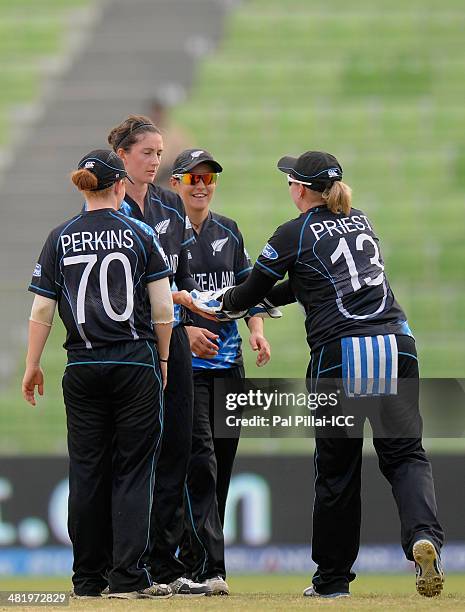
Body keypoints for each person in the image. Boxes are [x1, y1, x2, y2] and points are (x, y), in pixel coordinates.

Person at [196, 151, 445, 599]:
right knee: (406, 455)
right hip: (397, 344)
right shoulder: (360, 219)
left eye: (290, 181)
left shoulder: (293, 233)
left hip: (341, 354)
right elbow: (307, 282)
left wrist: (220, 306)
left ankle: (332, 581)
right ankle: (423, 536)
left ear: (301, 190)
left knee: (337, 470)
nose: (288, 187)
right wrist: (274, 300)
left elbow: (251, 289)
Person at [22, 149, 174, 600]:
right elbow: (163, 308)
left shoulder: (60, 236)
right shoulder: (140, 232)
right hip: (133, 360)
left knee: (87, 472)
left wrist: (32, 364)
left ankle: (87, 578)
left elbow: (42, 309)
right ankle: (127, 577)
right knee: (132, 469)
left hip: (82, 364)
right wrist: (163, 360)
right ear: (120, 187)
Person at [107, 116, 212, 596]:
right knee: (136, 453)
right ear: (123, 156)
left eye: (159, 152)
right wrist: (175, 310)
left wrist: (183, 322)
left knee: (179, 448)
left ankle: (165, 565)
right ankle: (127, 562)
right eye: (147, 152)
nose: (155, 160)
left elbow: (181, 277)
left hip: (175, 339)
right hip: (136, 346)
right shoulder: (111, 208)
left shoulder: (171, 205)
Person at [170, 149, 271, 594]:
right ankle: (209, 568)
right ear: (175, 184)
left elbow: (249, 288)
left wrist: (257, 330)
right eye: (193, 178)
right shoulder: (160, 234)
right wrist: (183, 331)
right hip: (186, 370)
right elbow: (152, 300)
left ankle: (198, 563)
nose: (202, 186)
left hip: (230, 367)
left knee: (221, 466)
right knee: (201, 464)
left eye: (208, 179)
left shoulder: (229, 231)